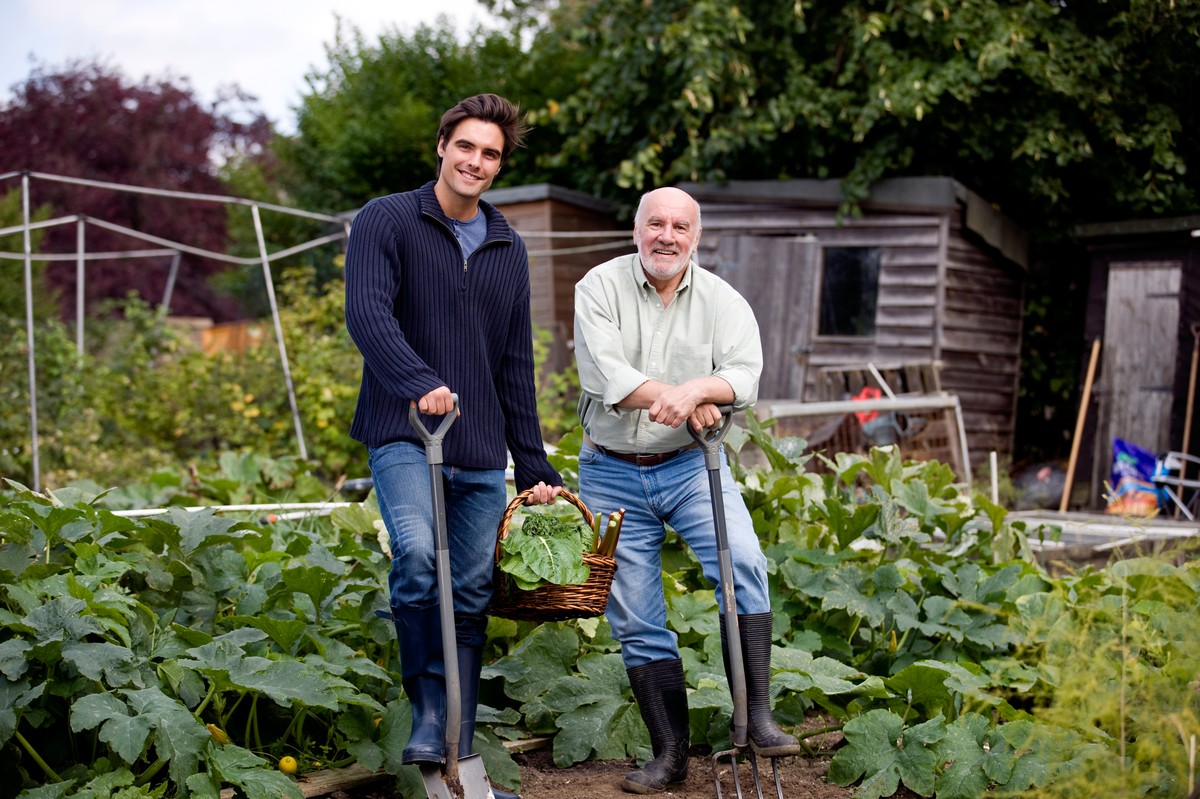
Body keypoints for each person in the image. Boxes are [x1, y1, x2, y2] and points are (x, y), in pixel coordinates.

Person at [344, 93, 561, 799]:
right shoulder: (388, 220)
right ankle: (430, 711)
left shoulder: (506, 245)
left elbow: (515, 364)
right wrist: (419, 382)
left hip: (477, 449)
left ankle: (460, 737)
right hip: (405, 432)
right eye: (465, 146)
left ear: (500, 165)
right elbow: (368, 312)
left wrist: (532, 463)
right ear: (442, 146)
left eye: (491, 153)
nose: (476, 161)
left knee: (469, 590)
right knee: (413, 555)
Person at [573, 186, 802, 794]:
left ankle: (756, 718)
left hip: (690, 466)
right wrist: (677, 396)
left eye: (680, 226)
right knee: (634, 613)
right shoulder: (598, 287)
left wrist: (700, 387)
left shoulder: (724, 301)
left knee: (744, 563)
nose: (666, 236)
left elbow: (745, 375)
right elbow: (605, 374)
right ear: (636, 230)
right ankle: (669, 756)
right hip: (610, 468)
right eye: (656, 224)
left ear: (695, 238)